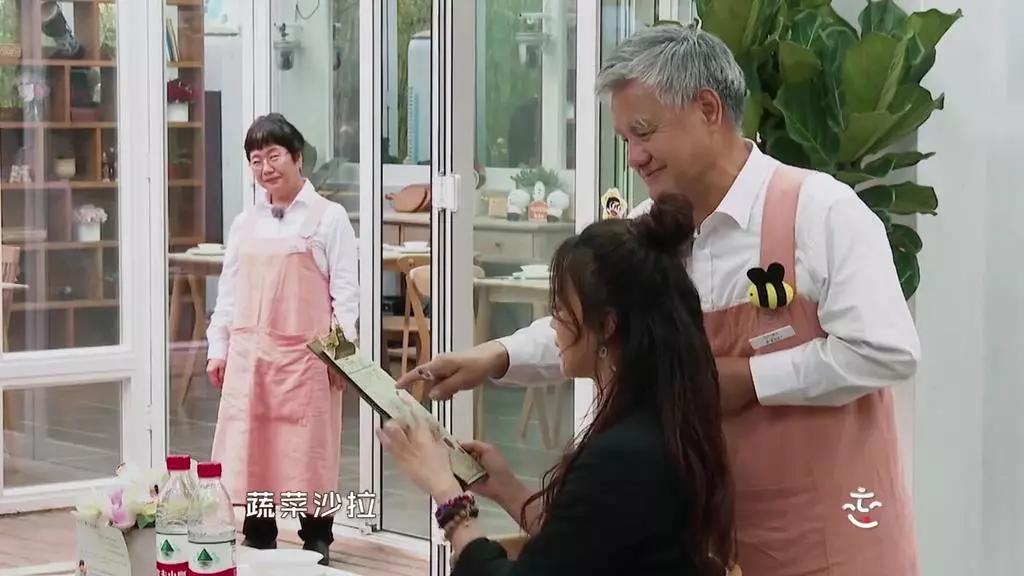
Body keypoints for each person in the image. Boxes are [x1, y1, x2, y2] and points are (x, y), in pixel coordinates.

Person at [397, 25, 921, 576]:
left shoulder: (821, 211)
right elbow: (604, 327)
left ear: (708, 109)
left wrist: (750, 379)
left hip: (829, 538)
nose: (635, 157)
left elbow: (885, 351)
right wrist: (496, 356)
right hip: (715, 538)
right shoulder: (652, 232)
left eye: (644, 132)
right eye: (625, 139)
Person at [380, 196, 735, 575]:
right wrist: (505, 487)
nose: (553, 325)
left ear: (607, 325)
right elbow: (578, 548)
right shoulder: (663, 426)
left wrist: (447, 495)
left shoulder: (623, 455)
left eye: (561, 311)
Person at [205, 113, 359, 564]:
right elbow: (229, 291)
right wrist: (219, 348)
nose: (265, 168)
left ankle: (318, 535)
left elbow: (346, 295)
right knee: (252, 445)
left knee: (310, 449)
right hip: (251, 356)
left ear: (297, 157)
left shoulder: (329, 218)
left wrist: (342, 358)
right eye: (256, 160)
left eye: (273, 156)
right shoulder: (244, 223)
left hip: (306, 358)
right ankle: (258, 531)